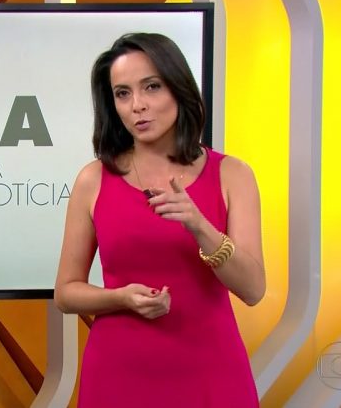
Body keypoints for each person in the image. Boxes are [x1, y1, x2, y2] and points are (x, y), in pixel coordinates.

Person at [54, 33, 265, 407]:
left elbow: (253, 290)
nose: (138, 105)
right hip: (118, 375)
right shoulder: (93, 179)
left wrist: (199, 226)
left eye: (151, 87)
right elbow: (66, 293)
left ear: (178, 88)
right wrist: (120, 298)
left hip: (211, 372)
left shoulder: (233, 175)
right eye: (123, 93)